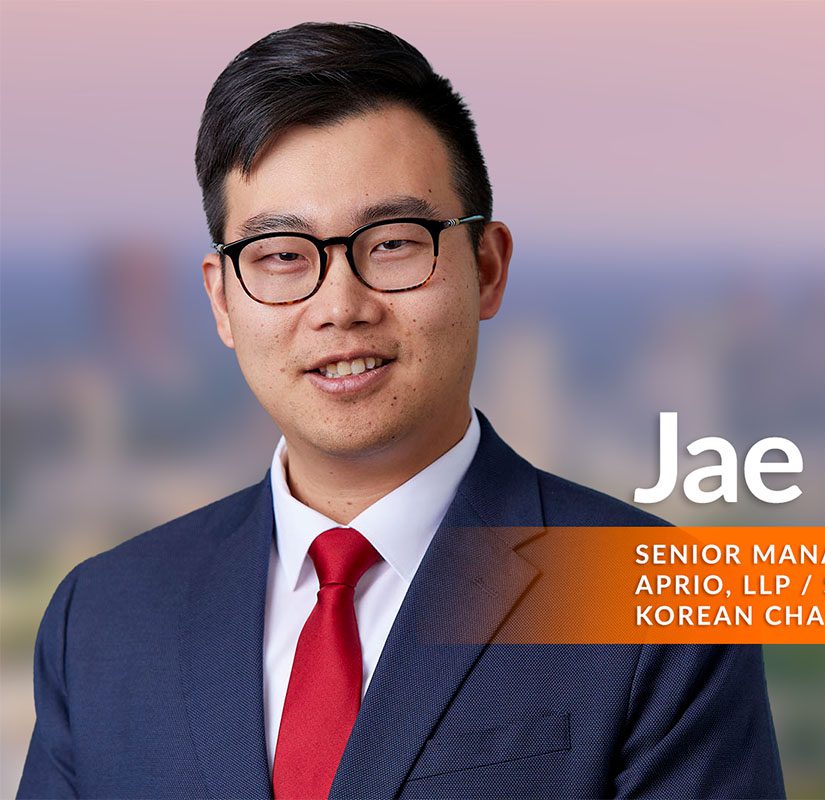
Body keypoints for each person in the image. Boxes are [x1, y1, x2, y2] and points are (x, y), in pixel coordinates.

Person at [18, 21, 785, 799]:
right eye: (282, 255)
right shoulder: (105, 619)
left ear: (487, 267)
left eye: (391, 244)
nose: (339, 307)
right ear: (222, 300)